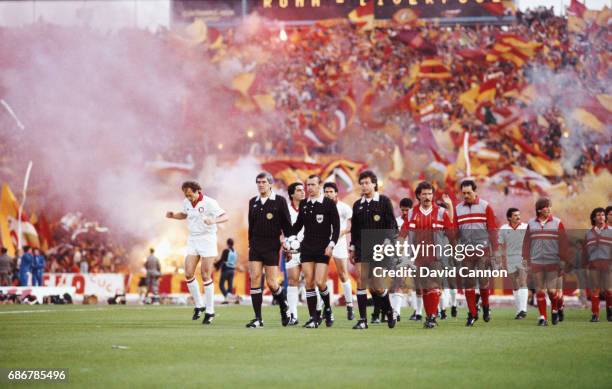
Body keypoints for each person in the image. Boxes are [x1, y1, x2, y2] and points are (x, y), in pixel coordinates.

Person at [166, 180, 228, 325]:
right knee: (188, 273)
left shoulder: (210, 202)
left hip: (207, 239)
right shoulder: (186, 202)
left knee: (206, 274)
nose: (188, 198)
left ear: (197, 191)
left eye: (190, 195)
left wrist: (213, 221)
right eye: (186, 195)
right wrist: (173, 215)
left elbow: (225, 216)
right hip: (193, 239)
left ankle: (210, 310)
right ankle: (199, 305)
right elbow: (184, 214)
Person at [349, 170, 398, 330]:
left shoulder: (383, 201)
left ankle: (389, 311)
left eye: (367, 183)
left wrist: (386, 241)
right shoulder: (357, 205)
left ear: (374, 184)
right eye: (361, 183)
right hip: (362, 246)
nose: (364, 186)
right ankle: (363, 320)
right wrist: (352, 247)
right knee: (361, 282)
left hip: (379, 247)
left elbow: (392, 224)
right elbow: (355, 229)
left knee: (377, 286)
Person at [291, 175, 340, 328]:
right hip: (307, 247)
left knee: (320, 282)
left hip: (323, 247)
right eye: (308, 185)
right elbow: (298, 225)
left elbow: (336, 227)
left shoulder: (328, 204)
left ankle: (328, 309)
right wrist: (286, 236)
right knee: (309, 283)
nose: (309, 188)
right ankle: (313, 317)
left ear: (320, 185)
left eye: (313, 184)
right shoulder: (304, 203)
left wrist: (331, 244)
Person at [245, 172, 293, 328]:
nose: (260, 184)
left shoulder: (279, 201)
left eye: (263, 182)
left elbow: (287, 226)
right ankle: (258, 318)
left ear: (270, 184)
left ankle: (283, 305)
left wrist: (288, 244)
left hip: (272, 245)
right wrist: (250, 243)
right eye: (258, 182)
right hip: (256, 245)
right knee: (255, 278)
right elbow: (251, 225)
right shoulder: (253, 202)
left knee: (272, 283)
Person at [405, 182, 454, 329]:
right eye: (424, 194)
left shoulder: (440, 212)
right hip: (418, 256)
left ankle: (432, 317)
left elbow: (451, 233)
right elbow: (403, 233)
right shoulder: (411, 213)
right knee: (425, 288)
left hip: (436, 256)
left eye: (430, 194)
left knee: (433, 285)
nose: (427, 197)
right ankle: (430, 316)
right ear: (418, 196)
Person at [455, 180, 498, 326]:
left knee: (483, 282)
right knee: (469, 284)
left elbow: (492, 230)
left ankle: (485, 306)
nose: (466, 196)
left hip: (483, 251)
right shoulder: (458, 209)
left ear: (475, 192)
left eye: (469, 193)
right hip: (466, 252)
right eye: (464, 193)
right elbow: (455, 233)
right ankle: (472, 314)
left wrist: (496, 252)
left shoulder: (485, 207)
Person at [523, 198, 570, 326]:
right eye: (546, 207)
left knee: (552, 291)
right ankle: (542, 317)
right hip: (536, 262)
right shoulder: (531, 224)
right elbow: (526, 243)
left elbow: (564, 243)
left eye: (550, 206)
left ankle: (555, 309)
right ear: (539, 209)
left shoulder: (557, 223)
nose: (549, 209)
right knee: (539, 290)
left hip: (553, 262)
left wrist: (563, 260)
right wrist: (526, 260)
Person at [323, 182, 354, 320]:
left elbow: (354, 224)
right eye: (326, 191)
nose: (328, 194)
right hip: (323, 244)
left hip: (339, 244)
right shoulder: (320, 207)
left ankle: (350, 306)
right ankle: (324, 308)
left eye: (330, 191)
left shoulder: (344, 208)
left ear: (336, 193)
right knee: (321, 276)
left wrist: (343, 232)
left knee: (343, 274)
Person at [499, 208, 529, 319]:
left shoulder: (525, 227)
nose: (518, 217)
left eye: (519, 215)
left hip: (522, 258)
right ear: (509, 218)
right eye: (515, 215)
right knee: (515, 285)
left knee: (522, 282)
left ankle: (523, 310)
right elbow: (500, 245)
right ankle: (519, 310)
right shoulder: (503, 228)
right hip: (510, 259)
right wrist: (501, 260)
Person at [582, 207, 611, 322]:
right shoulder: (588, 233)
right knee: (595, 290)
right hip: (593, 265)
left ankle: (610, 311)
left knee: (609, 290)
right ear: (594, 218)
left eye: (603, 215)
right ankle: (595, 314)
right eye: (598, 215)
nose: (601, 217)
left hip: (608, 264)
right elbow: (585, 251)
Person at [285, 181, 306, 325]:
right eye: (299, 190)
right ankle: (293, 315)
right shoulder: (286, 210)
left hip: (309, 248)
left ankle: (317, 312)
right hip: (292, 250)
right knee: (293, 281)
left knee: (313, 281)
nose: (303, 192)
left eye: (303, 190)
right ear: (292, 194)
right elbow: (280, 229)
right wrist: (284, 243)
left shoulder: (310, 208)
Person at [216, 238, 237, 304]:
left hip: (226, 270)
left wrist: (216, 265)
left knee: (221, 285)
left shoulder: (226, 251)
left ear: (227, 243)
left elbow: (222, 260)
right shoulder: (235, 252)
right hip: (232, 270)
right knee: (230, 285)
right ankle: (228, 299)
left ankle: (228, 297)